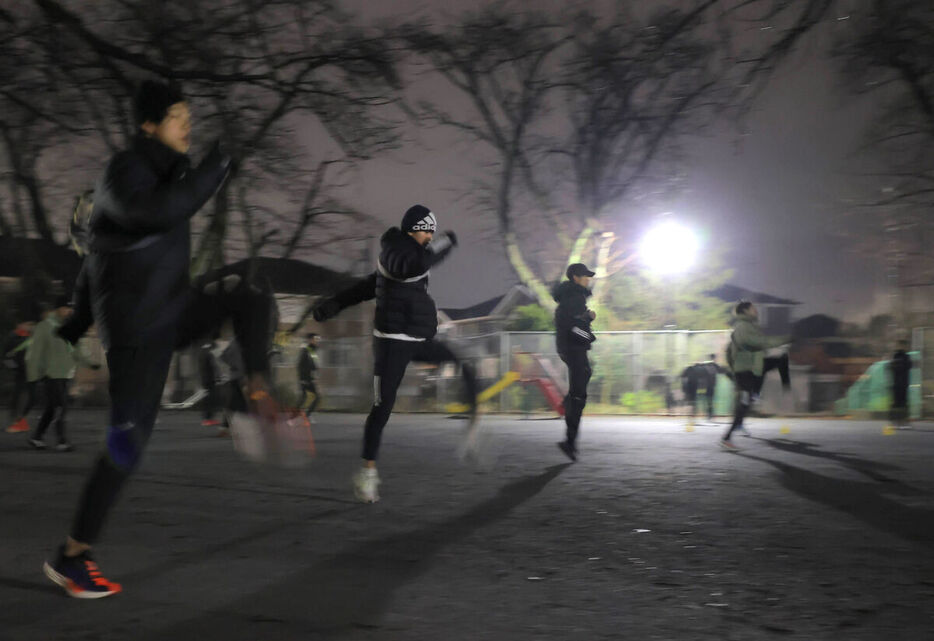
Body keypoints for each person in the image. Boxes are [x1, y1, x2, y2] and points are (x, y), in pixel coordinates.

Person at [42, 79, 279, 599]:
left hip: (172, 310)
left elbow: (162, 215)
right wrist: (74, 326)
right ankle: (73, 555)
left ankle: (250, 392)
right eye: (177, 116)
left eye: (189, 116)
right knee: (127, 445)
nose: (187, 124)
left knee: (251, 294)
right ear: (148, 124)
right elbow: (153, 215)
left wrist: (74, 324)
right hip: (137, 332)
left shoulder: (171, 177)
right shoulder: (122, 172)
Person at [312, 204, 478, 503]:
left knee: (461, 360)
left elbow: (367, 287)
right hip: (391, 344)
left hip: (417, 339)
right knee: (382, 409)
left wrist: (334, 304)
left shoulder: (410, 255)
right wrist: (446, 242)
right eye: (429, 233)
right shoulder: (399, 252)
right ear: (421, 229)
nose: (431, 238)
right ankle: (367, 473)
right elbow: (411, 264)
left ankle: (473, 419)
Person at [25, 297, 98, 452]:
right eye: (66, 308)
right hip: (50, 374)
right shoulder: (44, 327)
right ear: (57, 309)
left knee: (52, 408)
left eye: (71, 308)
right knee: (61, 407)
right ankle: (61, 441)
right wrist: (33, 376)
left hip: (66, 374)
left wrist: (91, 363)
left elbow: (78, 350)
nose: (69, 311)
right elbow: (35, 353)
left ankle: (36, 437)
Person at [720, 301, 790, 451]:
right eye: (753, 309)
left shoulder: (749, 326)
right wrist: (784, 339)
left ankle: (755, 394)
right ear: (745, 311)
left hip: (751, 370)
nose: (756, 311)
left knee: (779, 360)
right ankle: (727, 438)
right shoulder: (743, 327)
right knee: (744, 404)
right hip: (744, 372)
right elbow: (757, 343)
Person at [552, 263, 597, 461]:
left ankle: (569, 403)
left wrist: (586, 318)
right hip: (574, 348)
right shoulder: (575, 297)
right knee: (579, 396)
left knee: (584, 378)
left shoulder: (570, 297)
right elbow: (572, 327)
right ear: (576, 278)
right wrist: (588, 336)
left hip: (570, 348)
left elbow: (572, 322)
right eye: (585, 276)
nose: (588, 279)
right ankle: (569, 442)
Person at [3, 320, 35, 433]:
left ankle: (19, 420)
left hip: (30, 371)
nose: (31, 327)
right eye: (29, 324)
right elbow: (6, 356)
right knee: (19, 395)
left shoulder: (30, 337)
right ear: (20, 324)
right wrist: (14, 368)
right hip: (20, 372)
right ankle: (16, 420)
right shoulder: (13, 337)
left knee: (29, 396)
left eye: (31, 325)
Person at [889, 339, 912, 429]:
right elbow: (893, 367)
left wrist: (897, 365)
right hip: (898, 384)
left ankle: (902, 422)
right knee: (897, 403)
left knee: (902, 403)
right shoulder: (897, 356)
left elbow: (908, 366)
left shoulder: (905, 356)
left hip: (903, 384)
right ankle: (896, 421)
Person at [297, 333, 320, 421]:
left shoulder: (311, 350)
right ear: (310, 340)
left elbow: (313, 365)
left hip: (309, 378)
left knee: (304, 397)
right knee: (316, 397)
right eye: (315, 339)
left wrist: (316, 373)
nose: (317, 341)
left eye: (317, 339)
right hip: (305, 379)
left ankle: (296, 416)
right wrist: (302, 379)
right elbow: (300, 365)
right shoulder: (305, 350)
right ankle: (305, 416)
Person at [198, 339, 221, 427]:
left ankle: (207, 418)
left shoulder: (202, 352)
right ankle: (208, 418)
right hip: (210, 380)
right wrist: (218, 377)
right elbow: (214, 366)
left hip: (205, 379)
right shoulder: (210, 353)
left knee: (208, 398)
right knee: (211, 399)